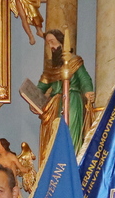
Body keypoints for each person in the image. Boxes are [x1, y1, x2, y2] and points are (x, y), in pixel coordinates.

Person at [34, 30, 95, 159]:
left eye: (52, 42)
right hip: (53, 106)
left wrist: (88, 91)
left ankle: (72, 161)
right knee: (54, 136)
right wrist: (33, 101)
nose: (51, 46)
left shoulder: (74, 61)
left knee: (70, 132)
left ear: (62, 42)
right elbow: (41, 87)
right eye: (48, 43)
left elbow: (84, 79)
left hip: (72, 101)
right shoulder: (50, 66)